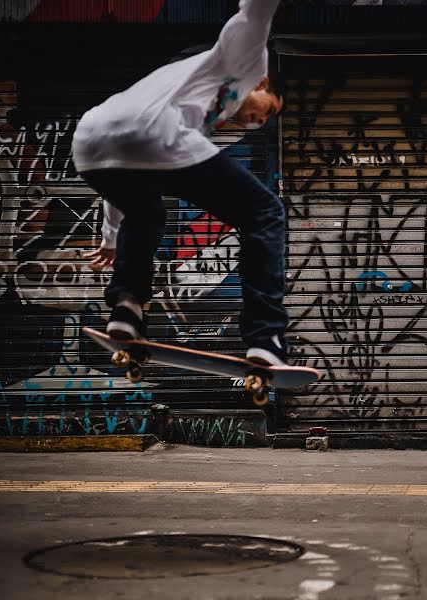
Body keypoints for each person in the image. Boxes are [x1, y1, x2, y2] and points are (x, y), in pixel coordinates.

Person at [72, 0, 289, 366]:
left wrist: (111, 239)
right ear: (262, 83)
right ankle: (265, 336)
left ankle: (127, 309)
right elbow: (257, 11)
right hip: (157, 136)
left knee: (145, 210)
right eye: (268, 108)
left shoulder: (185, 95)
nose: (261, 121)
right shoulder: (246, 61)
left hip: (90, 143)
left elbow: (124, 183)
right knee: (265, 213)